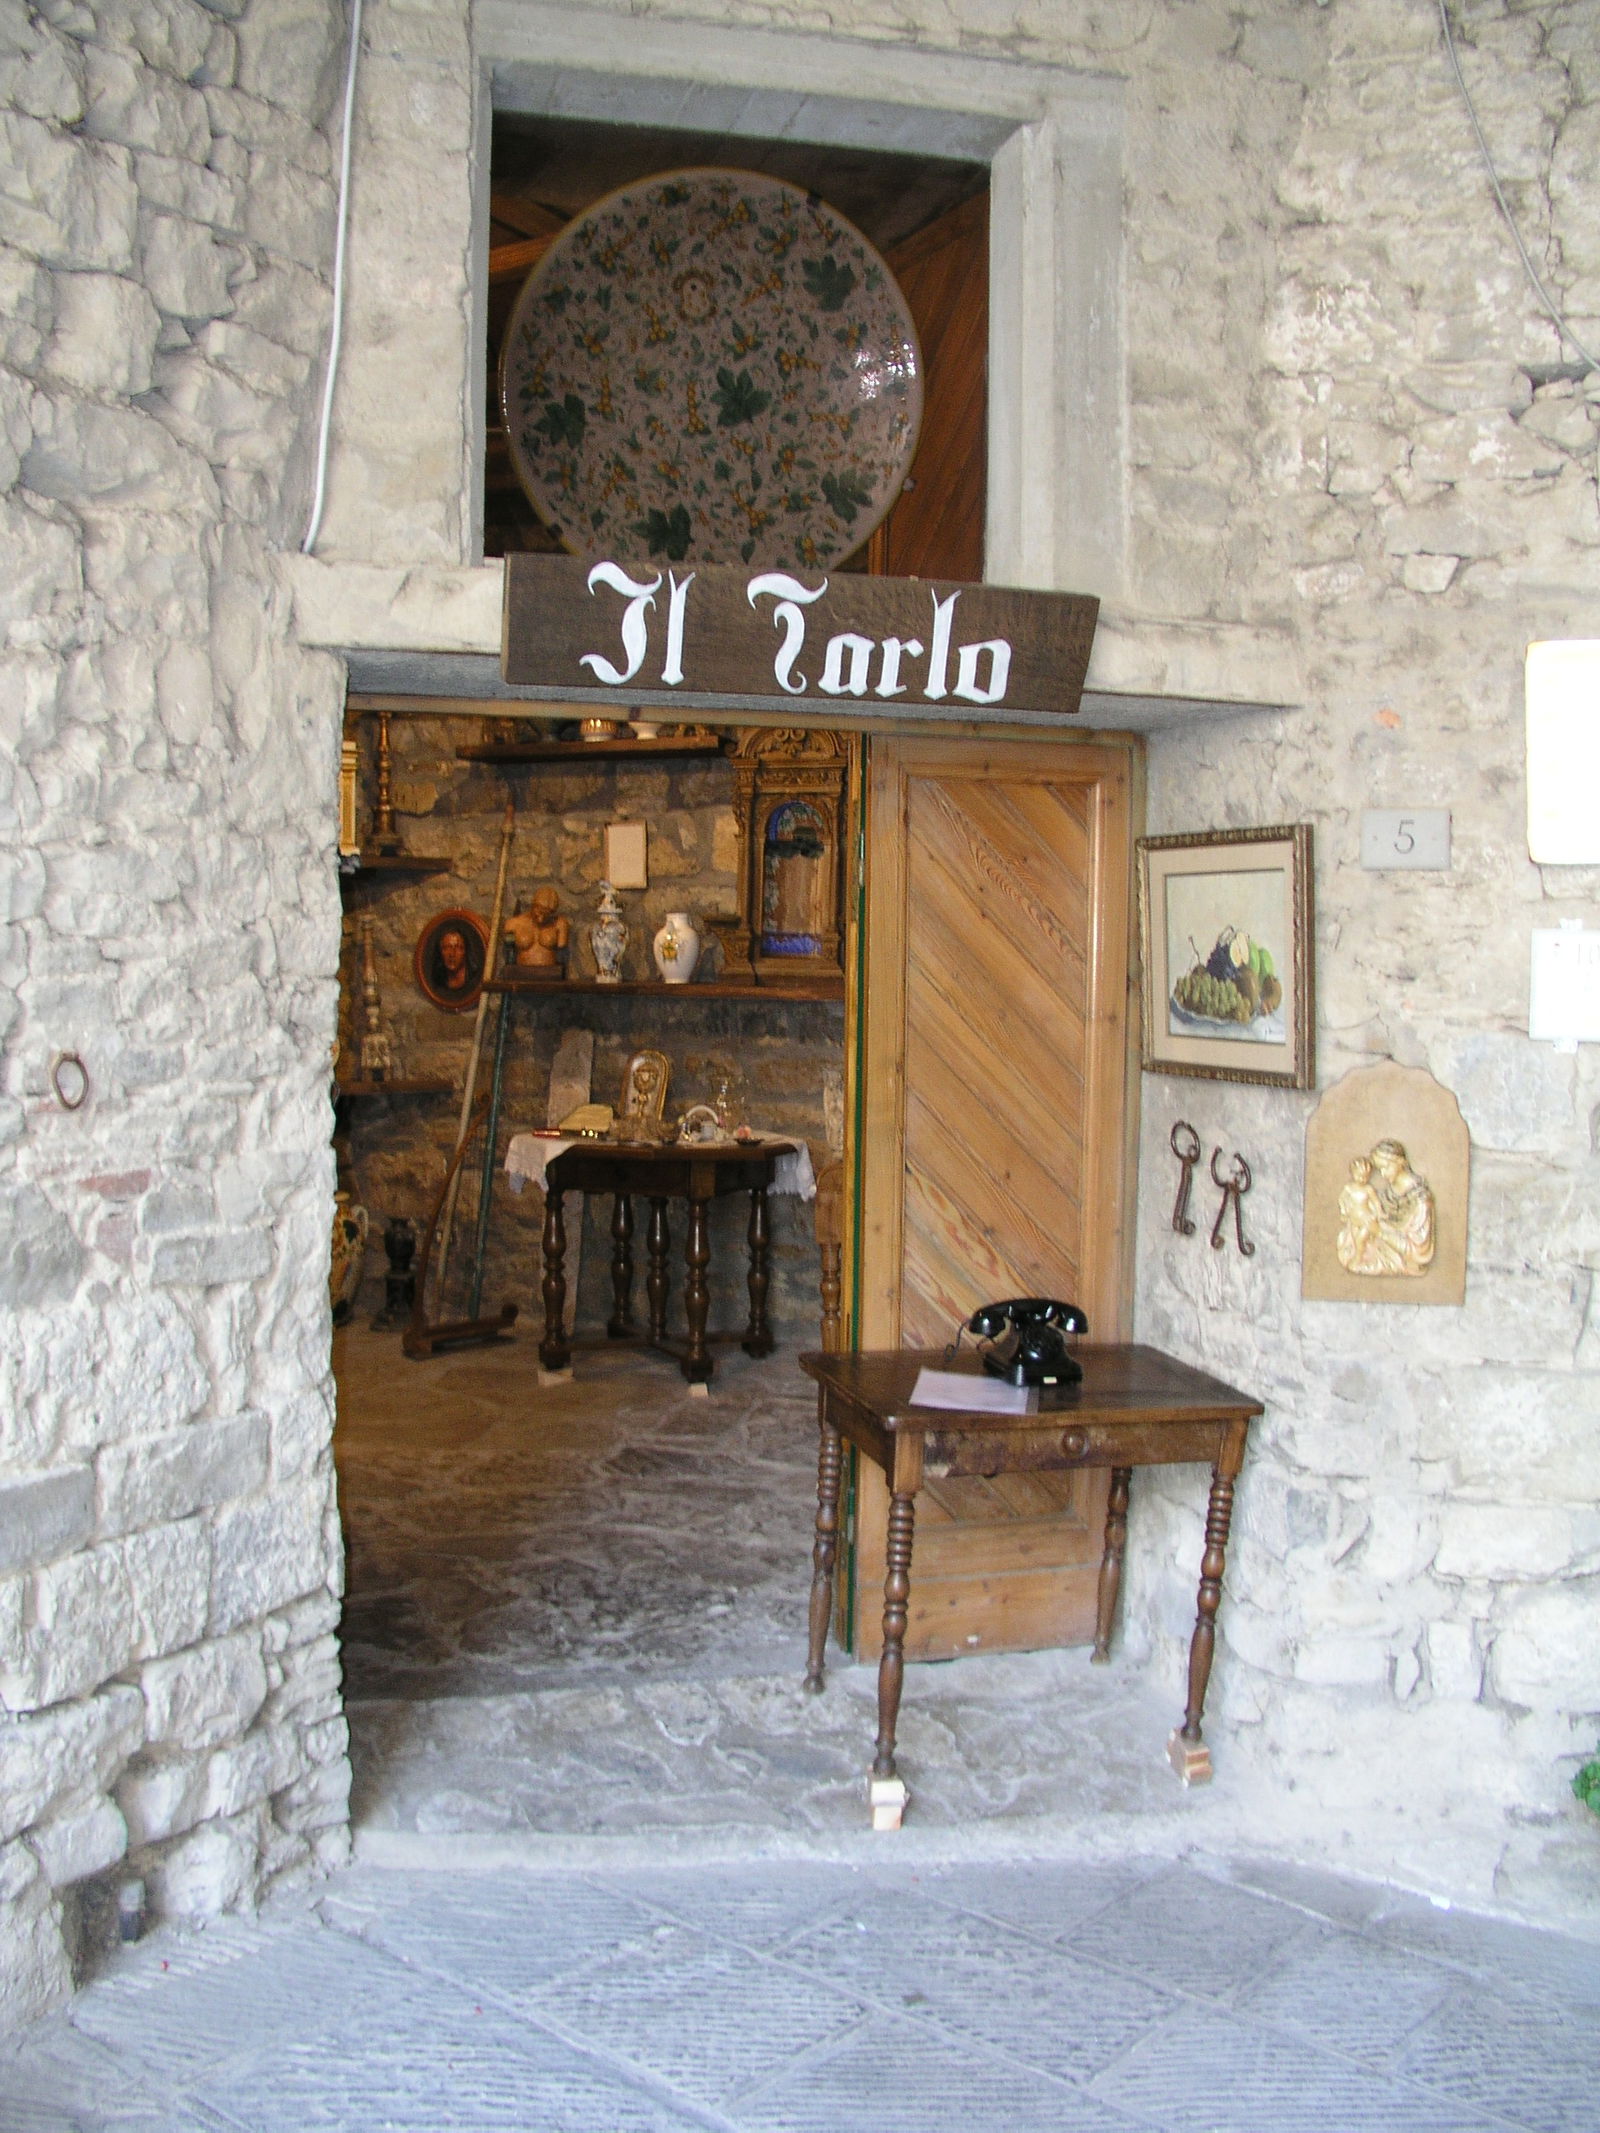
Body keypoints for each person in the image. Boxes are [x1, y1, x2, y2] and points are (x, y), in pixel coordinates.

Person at [504, 887, 570, 971]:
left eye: (546, 915)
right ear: (533, 905)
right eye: (539, 913)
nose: (541, 919)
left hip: (551, 974)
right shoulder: (512, 924)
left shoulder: (560, 924)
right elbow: (509, 952)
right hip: (521, 973)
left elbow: (562, 955)